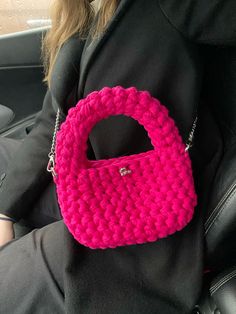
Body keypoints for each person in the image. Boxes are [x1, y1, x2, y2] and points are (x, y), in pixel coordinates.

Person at [0, 0, 235, 312]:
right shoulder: (77, 9)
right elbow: (53, 118)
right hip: (79, 182)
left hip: (148, 209)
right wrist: (5, 211)